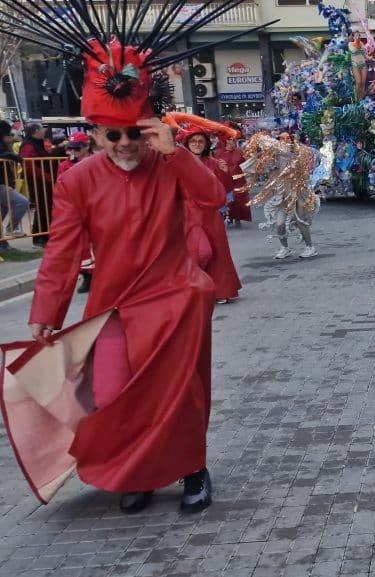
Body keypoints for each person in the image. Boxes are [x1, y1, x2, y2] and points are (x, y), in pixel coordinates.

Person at [0, 0, 267, 513]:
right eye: (114, 134)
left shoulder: (168, 164)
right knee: (116, 394)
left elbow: (213, 200)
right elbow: (61, 249)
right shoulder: (77, 180)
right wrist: (46, 313)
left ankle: (191, 469)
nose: (125, 143)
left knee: (180, 393)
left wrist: (174, 150)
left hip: (175, 300)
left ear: (149, 128)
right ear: (97, 134)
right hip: (113, 308)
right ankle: (139, 472)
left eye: (134, 132)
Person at [177, 124, 243, 304]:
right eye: (194, 141)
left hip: (211, 215)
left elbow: (224, 190)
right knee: (199, 252)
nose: (197, 144)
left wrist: (224, 174)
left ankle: (220, 291)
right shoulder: (178, 163)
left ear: (206, 144)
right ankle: (195, 288)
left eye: (200, 141)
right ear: (187, 143)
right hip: (188, 214)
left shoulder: (213, 163)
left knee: (218, 253)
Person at [57, 132, 100, 293]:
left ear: (86, 147)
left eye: (76, 148)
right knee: (80, 248)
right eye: (70, 148)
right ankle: (87, 277)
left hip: (97, 210)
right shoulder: (65, 166)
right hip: (76, 211)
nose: (72, 152)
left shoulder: (99, 162)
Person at [20, 122, 55, 247]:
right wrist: (46, 177)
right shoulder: (28, 145)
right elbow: (29, 165)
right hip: (38, 181)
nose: (44, 130)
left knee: (46, 207)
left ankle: (45, 235)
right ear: (36, 131)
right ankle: (39, 237)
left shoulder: (37, 143)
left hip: (44, 180)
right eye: (41, 128)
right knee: (42, 207)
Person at [212, 122, 251, 226]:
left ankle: (237, 217)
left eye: (234, 139)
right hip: (224, 180)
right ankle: (222, 218)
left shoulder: (240, 152)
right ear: (225, 140)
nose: (232, 141)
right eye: (230, 139)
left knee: (238, 198)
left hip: (238, 180)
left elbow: (247, 164)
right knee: (223, 199)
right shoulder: (218, 153)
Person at [0, 120, 29, 246]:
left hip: (6, 182)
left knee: (3, 211)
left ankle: (6, 237)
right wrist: (14, 156)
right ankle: (11, 229)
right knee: (22, 202)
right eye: (10, 135)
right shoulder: (3, 147)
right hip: (2, 183)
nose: (12, 137)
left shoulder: (6, 146)